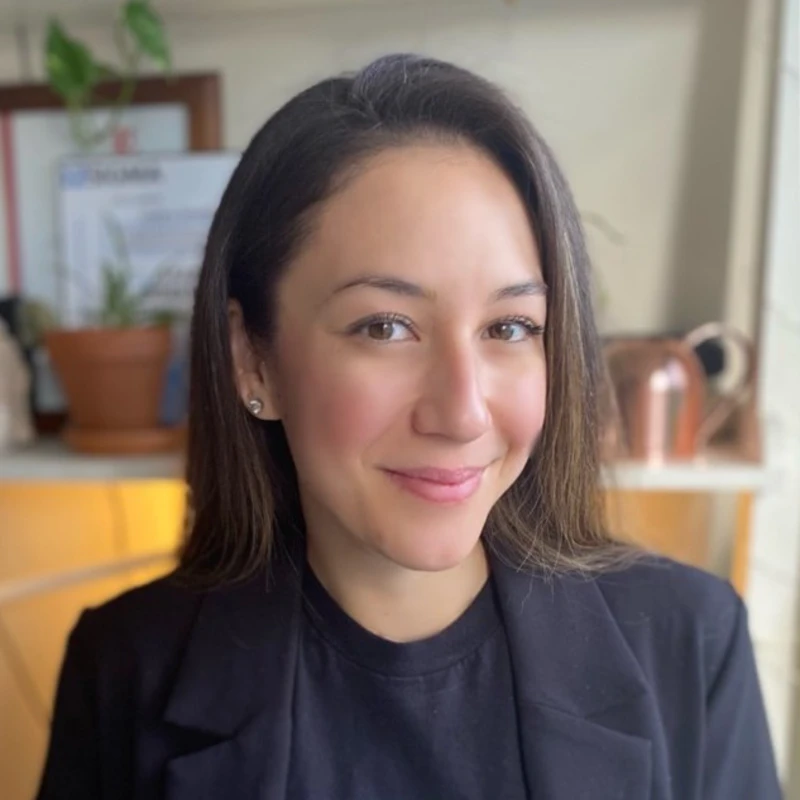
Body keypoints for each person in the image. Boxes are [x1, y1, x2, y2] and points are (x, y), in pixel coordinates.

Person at [36, 54, 780, 800]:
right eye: (385, 327)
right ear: (253, 359)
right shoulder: (124, 668)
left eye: (511, 327)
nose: (463, 413)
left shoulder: (692, 643)